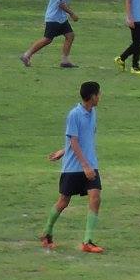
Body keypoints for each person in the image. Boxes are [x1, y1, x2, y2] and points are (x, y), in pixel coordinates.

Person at [43, 80, 104, 253]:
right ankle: (47, 233)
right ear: (92, 96)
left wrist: (63, 151)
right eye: (98, 94)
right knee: (63, 201)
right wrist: (83, 165)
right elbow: (74, 141)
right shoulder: (74, 114)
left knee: (95, 197)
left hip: (90, 164)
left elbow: (83, 139)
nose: (100, 97)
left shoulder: (93, 112)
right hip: (74, 167)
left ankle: (87, 241)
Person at [21, 0, 80, 68]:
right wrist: (72, 14)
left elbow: (64, 1)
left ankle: (65, 61)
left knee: (70, 35)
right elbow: (61, 3)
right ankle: (26, 55)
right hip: (54, 17)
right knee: (47, 39)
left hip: (61, 18)